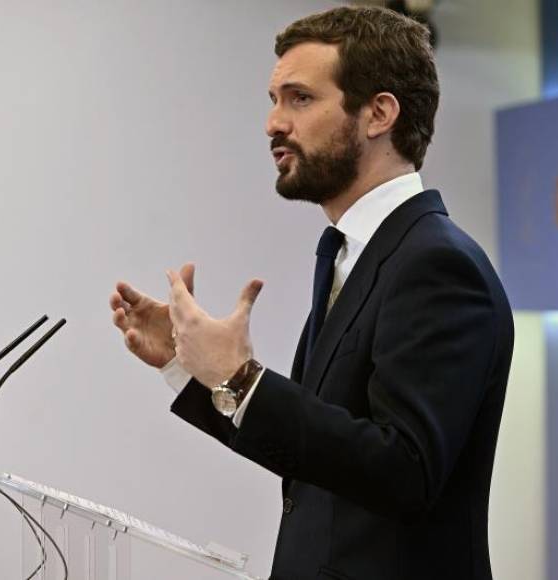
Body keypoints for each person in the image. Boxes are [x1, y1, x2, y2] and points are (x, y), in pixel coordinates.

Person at [110, 6, 514, 580]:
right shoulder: (351, 254)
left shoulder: (439, 265)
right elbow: (314, 457)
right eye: (274, 99)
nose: (273, 123)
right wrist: (192, 364)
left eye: (299, 99)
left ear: (379, 114)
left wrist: (243, 378)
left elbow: (405, 471)